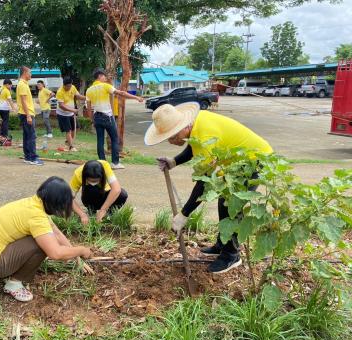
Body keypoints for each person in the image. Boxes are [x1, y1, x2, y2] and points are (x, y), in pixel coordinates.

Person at [145, 103, 273, 274]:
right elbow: (192, 146)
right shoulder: (197, 124)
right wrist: (174, 161)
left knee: (231, 204)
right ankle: (223, 244)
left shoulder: (205, 135)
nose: (171, 141)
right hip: (239, 160)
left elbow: (205, 182)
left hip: (255, 160)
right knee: (225, 201)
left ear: (185, 125)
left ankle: (231, 256)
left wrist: (184, 214)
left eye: (173, 136)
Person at [0, 177, 92, 302]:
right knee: (42, 245)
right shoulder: (37, 217)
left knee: (45, 237)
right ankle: (14, 284)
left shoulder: (33, 203)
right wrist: (81, 250)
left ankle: (8, 270)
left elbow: (56, 233)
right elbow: (55, 253)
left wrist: (77, 259)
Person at [86, 68, 144, 170]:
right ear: (100, 76)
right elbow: (121, 93)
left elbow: (89, 107)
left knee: (100, 141)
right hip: (107, 117)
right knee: (114, 139)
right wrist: (136, 98)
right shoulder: (105, 86)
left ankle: (102, 164)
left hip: (97, 117)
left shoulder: (89, 90)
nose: (105, 78)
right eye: (104, 76)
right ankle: (115, 163)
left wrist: (92, 120)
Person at [70, 160, 128, 224]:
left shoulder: (105, 166)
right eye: (90, 180)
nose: (93, 183)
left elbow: (116, 189)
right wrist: (82, 214)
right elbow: (68, 198)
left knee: (122, 194)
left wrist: (103, 210)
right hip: (89, 197)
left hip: (105, 196)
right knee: (93, 189)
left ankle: (108, 215)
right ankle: (91, 211)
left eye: (96, 181)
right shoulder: (78, 173)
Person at [17, 66, 43, 165]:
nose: (31, 74)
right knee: (31, 136)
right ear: (24, 72)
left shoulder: (23, 83)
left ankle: (28, 156)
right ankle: (33, 158)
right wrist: (28, 115)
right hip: (26, 114)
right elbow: (23, 101)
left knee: (27, 136)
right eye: (30, 72)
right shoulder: (22, 84)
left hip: (25, 113)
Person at [56, 77, 86, 152]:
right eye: (68, 86)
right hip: (62, 114)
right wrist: (73, 110)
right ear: (64, 85)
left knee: (74, 129)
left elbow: (78, 96)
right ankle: (71, 147)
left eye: (70, 86)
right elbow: (61, 105)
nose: (69, 88)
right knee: (68, 131)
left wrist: (87, 98)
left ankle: (68, 142)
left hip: (71, 114)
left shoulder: (73, 87)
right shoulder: (60, 91)